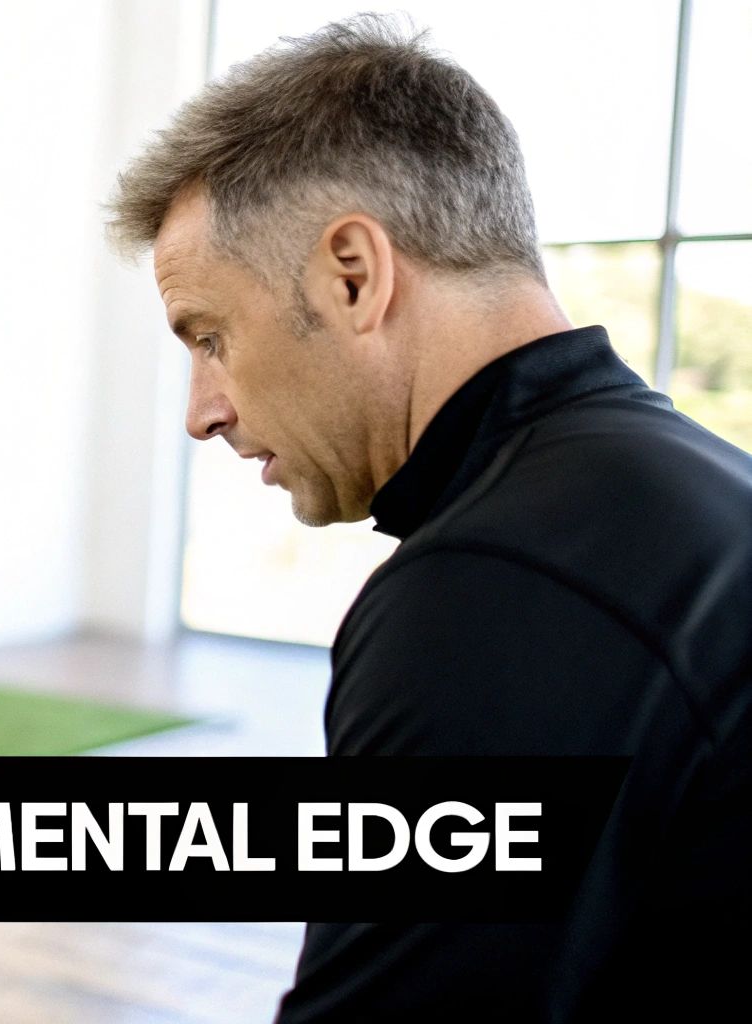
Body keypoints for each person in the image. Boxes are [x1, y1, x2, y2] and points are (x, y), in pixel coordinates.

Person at [108, 16, 751, 1022]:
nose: (201, 411)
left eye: (209, 336)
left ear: (352, 274)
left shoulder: (490, 590)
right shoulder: (696, 484)